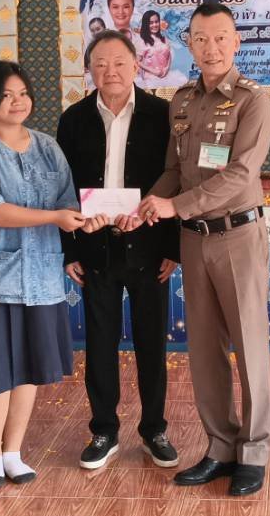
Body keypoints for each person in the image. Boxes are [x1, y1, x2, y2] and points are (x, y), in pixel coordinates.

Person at [141, 1, 270, 497]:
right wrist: (149, 202)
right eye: (200, 37)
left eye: (220, 37)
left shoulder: (252, 101)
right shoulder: (181, 101)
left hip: (238, 235)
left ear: (236, 41)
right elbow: (175, 169)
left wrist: (178, 206)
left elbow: (240, 174)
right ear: (189, 44)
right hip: (193, 242)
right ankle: (220, 446)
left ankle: (255, 452)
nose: (211, 46)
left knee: (249, 347)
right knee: (204, 351)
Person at [0, 62, 97, 487]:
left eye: (23, 93)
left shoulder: (49, 147)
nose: (17, 102)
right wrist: (54, 215)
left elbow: (70, 204)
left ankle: (14, 452)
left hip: (42, 277)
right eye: (7, 94)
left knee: (30, 369)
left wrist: (99, 215)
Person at [58, 31, 180, 470]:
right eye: (100, 64)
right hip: (95, 248)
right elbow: (63, 188)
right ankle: (104, 430)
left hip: (149, 249)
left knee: (152, 344)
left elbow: (176, 180)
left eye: (118, 63)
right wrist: (69, 248)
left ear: (136, 65)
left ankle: (154, 430)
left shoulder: (162, 115)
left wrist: (174, 249)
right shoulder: (73, 120)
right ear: (89, 70)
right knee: (100, 343)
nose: (109, 71)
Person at [134, 9, 173, 86]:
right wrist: (155, 72)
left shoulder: (165, 39)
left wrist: (165, 71)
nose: (154, 25)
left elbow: (169, 57)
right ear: (146, 24)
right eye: (151, 23)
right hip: (150, 81)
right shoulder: (142, 41)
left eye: (156, 22)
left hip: (166, 79)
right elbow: (137, 62)